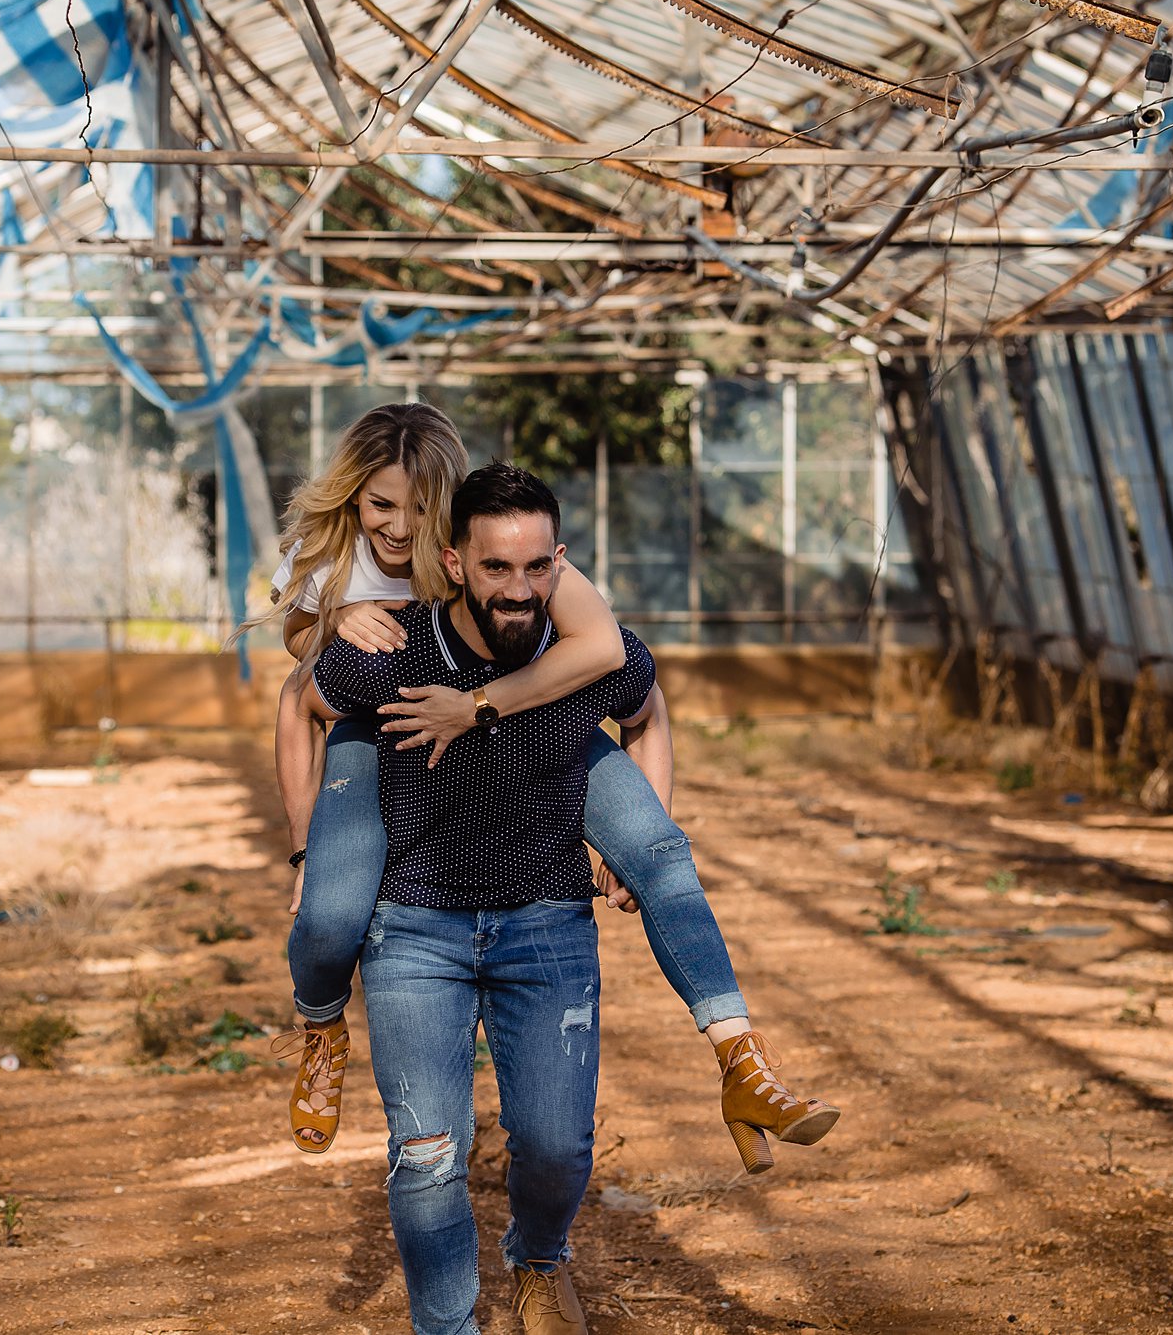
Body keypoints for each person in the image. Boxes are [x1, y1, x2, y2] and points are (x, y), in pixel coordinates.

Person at [249, 405, 834, 1181]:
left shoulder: (496, 551)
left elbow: (609, 654)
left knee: (660, 851)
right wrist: (337, 622)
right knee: (328, 912)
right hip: (383, 720)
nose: (399, 525)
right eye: (381, 503)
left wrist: (488, 708)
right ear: (353, 496)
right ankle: (322, 1028)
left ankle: (742, 1058)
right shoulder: (329, 555)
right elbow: (298, 672)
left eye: (420, 506)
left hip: (518, 711)